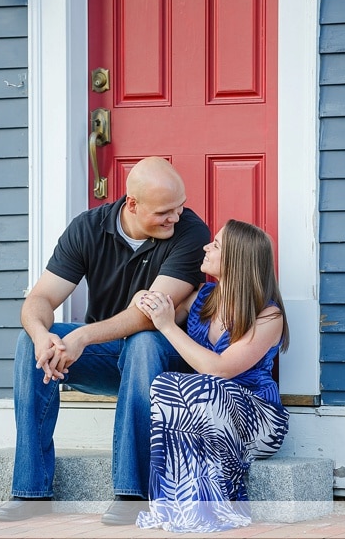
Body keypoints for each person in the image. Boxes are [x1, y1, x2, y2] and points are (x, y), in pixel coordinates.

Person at [0, 157, 211, 525]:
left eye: (180, 206)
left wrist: (82, 335)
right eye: (164, 212)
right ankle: (31, 491)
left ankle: (132, 493)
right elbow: (40, 299)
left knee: (143, 342)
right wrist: (43, 335)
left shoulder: (190, 234)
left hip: (164, 361)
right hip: (107, 355)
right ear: (132, 204)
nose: (176, 217)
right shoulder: (88, 228)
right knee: (30, 344)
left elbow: (150, 314)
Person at [134, 219, 290, 533]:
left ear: (237, 259)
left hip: (257, 419)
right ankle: (174, 505)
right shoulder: (202, 298)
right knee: (167, 383)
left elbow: (220, 370)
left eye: (215, 244)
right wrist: (146, 300)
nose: (206, 246)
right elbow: (155, 314)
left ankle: (217, 505)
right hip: (204, 411)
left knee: (209, 386)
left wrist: (167, 326)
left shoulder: (268, 315)